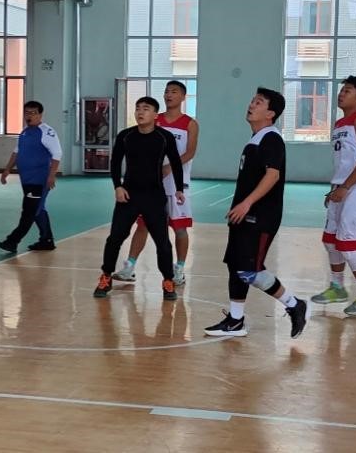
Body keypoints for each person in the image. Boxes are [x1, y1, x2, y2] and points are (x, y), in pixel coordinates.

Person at [204, 88, 308, 339]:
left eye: (258, 102)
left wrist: (247, 203)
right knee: (235, 266)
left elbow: (273, 175)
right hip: (243, 215)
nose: (251, 105)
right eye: (252, 100)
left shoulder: (271, 138)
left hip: (261, 217)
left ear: (270, 113)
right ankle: (235, 320)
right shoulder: (256, 139)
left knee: (250, 270)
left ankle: (294, 304)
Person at [93, 96, 183, 302]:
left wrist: (179, 189)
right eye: (138, 108)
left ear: (155, 115)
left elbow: (176, 163)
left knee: (162, 242)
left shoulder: (164, 137)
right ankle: (106, 277)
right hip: (129, 196)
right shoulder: (126, 136)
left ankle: (168, 281)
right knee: (115, 238)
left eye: (146, 109)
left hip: (154, 196)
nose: (140, 112)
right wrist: (117, 186)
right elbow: (115, 163)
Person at [113, 80, 198, 286]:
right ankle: (129, 267)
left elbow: (190, 152)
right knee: (142, 225)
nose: (169, 95)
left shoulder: (189, 123)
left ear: (183, 97)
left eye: (174, 92)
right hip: (151, 185)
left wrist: (169, 168)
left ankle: (179, 269)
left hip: (176, 183)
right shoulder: (154, 119)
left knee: (179, 228)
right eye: (167, 91)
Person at [310, 76, 356, 317]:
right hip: (342, 188)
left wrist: (346, 187)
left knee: (349, 246)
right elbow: (344, 162)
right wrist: (336, 188)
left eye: (348, 91)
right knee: (330, 241)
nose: (341, 94)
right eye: (342, 90)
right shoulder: (340, 123)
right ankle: (337, 287)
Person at [0, 101, 63, 253]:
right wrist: (7, 169)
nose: (29, 116)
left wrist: (51, 176)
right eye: (27, 112)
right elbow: (17, 152)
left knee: (29, 211)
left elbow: (57, 154)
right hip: (26, 179)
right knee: (38, 209)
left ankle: (12, 241)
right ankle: (46, 240)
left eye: (33, 113)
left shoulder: (46, 132)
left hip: (39, 180)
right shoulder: (25, 132)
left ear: (40, 115)